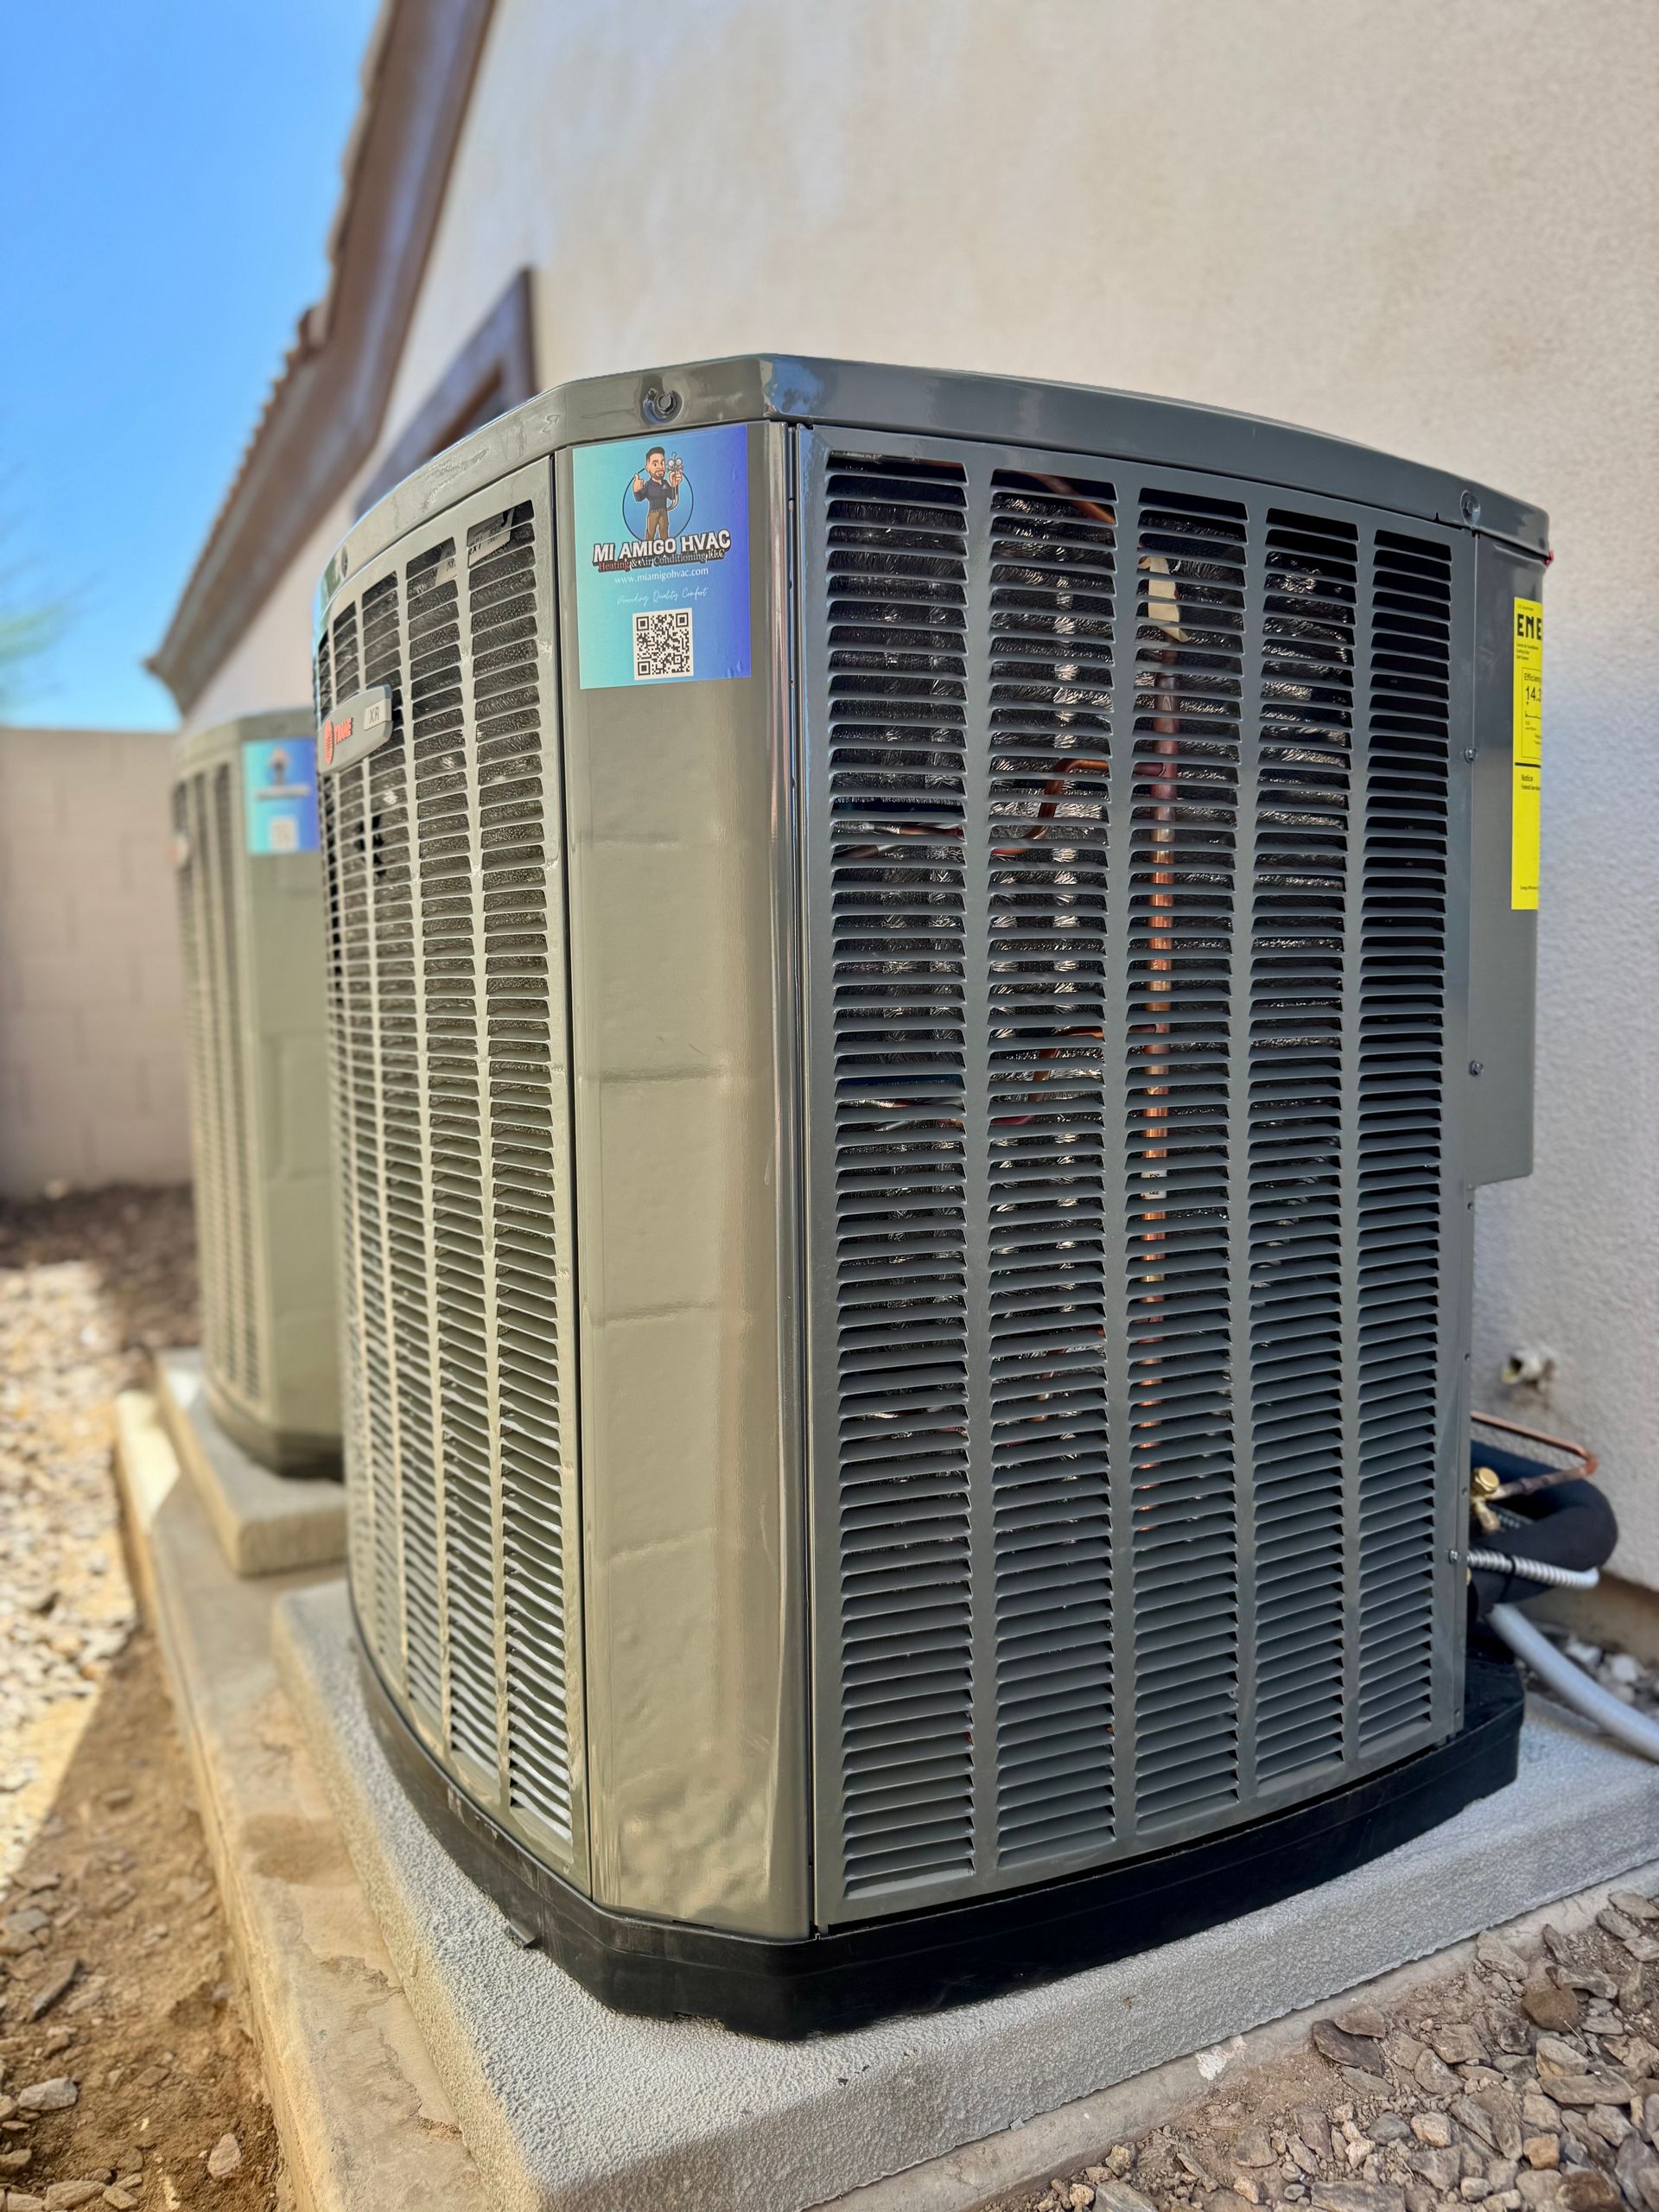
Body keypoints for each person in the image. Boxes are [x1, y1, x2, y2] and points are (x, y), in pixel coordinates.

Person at [631, 446, 683, 543]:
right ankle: (648, 551)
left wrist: (675, 485)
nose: (660, 467)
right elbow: (639, 498)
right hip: (653, 513)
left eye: (662, 463)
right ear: (647, 468)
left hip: (664, 512)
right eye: (655, 464)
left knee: (664, 532)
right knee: (650, 532)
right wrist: (636, 490)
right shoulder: (648, 485)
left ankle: (666, 551)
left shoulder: (665, 483)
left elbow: (672, 496)